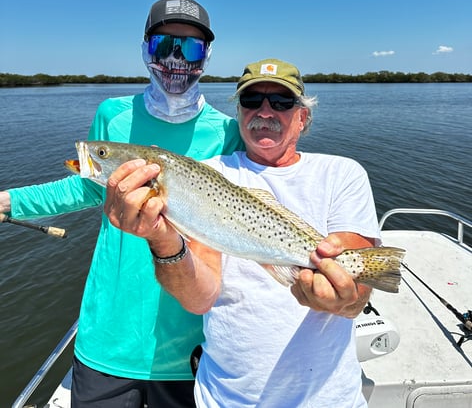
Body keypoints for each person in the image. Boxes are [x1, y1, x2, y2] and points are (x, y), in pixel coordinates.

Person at [0, 0, 243, 408]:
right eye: (164, 45)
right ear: (145, 48)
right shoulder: (112, 117)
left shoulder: (229, 132)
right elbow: (83, 188)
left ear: (208, 56)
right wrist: (6, 201)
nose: (176, 59)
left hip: (192, 343)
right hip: (107, 335)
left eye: (191, 47)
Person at [104, 58, 381, 408]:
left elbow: (358, 294)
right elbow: (199, 298)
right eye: (252, 101)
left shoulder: (342, 173)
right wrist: (160, 238)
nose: (265, 112)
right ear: (239, 113)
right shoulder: (208, 174)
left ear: (302, 118)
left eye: (281, 103)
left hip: (327, 398)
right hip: (224, 398)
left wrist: (348, 296)